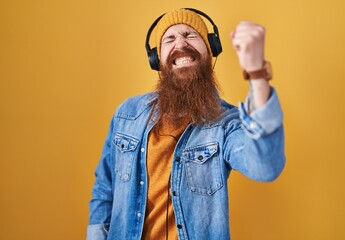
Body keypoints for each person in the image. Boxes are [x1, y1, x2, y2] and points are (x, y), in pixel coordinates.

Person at [87, 8, 285, 240]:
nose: (180, 43)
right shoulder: (127, 113)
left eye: (191, 35)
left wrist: (256, 72)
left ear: (210, 50)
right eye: (169, 39)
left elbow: (265, 166)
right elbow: (105, 186)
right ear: (157, 59)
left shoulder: (225, 123)